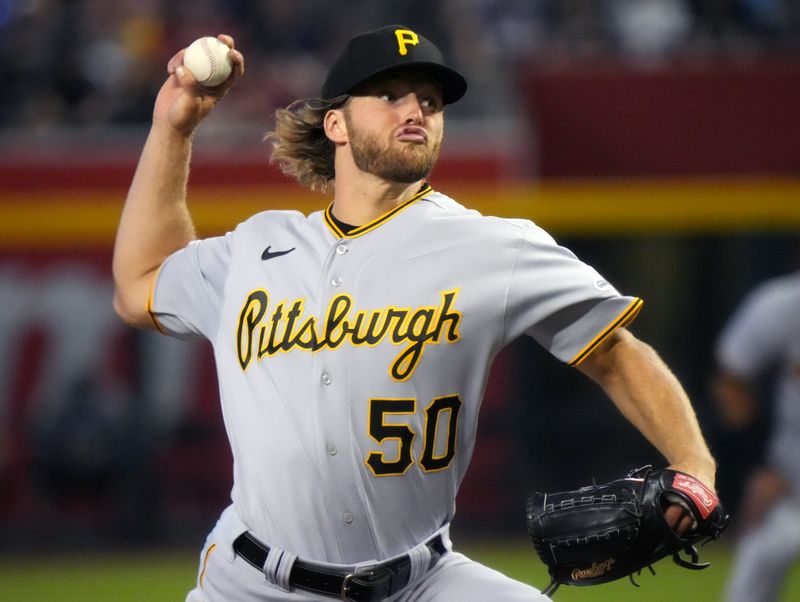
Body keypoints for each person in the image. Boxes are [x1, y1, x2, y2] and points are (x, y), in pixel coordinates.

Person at [112, 25, 718, 602]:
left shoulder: (494, 247)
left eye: (430, 99)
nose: (416, 110)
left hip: (420, 581)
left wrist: (695, 466)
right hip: (251, 580)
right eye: (389, 94)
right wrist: (174, 126)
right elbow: (139, 284)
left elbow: (617, 355)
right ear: (336, 124)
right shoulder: (256, 247)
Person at [713, 270, 800, 602]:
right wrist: (758, 466)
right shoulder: (784, 303)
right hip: (791, 483)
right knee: (751, 579)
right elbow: (731, 379)